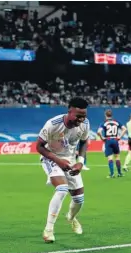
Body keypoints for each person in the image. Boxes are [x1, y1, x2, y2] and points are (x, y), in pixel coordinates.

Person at [36, 97, 89, 243]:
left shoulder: (85, 124)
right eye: (78, 116)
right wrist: (58, 161)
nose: (81, 119)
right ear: (69, 111)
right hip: (51, 158)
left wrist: (80, 162)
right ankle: (48, 230)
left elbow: (84, 142)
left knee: (79, 199)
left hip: (71, 160)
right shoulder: (53, 124)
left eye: (84, 116)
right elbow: (39, 147)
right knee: (62, 188)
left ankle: (71, 218)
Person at [97, 109, 127, 178]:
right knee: (117, 157)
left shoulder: (104, 123)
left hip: (108, 140)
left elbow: (98, 132)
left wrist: (102, 138)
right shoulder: (116, 122)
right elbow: (125, 129)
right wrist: (120, 137)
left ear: (105, 115)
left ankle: (112, 174)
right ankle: (119, 173)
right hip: (115, 140)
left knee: (110, 158)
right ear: (111, 115)